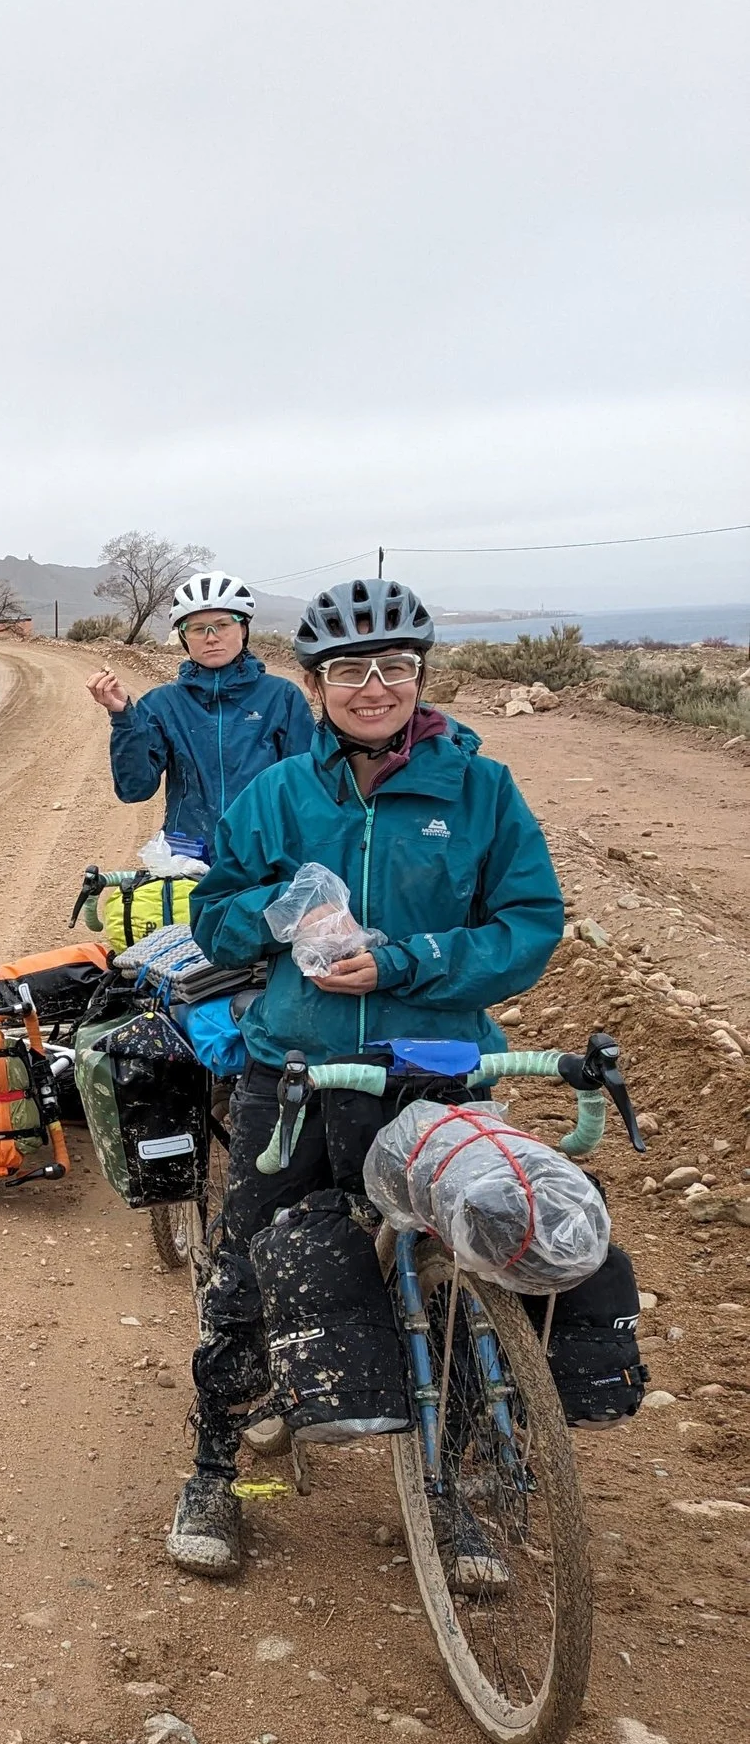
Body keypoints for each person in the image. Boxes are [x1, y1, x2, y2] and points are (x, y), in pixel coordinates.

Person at [162, 576, 564, 1579]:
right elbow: (212, 915)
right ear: (315, 685)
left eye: (394, 665)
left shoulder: (481, 791)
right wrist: (279, 915)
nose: (373, 685)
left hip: (431, 1070)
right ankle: (217, 1472)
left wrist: (407, 961)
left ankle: (452, 1490)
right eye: (349, 669)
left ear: (420, 677)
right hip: (295, 1069)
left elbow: (527, 926)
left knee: (463, 1275)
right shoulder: (278, 795)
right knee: (246, 1272)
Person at [87, 572, 315, 859]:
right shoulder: (162, 704)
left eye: (222, 625)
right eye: (197, 629)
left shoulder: (282, 697)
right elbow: (135, 789)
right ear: (184, 636)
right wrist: (123, 717)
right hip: (188, 859)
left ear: (243, 628)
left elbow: (307, 790)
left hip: (266, 859)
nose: (211, 638)